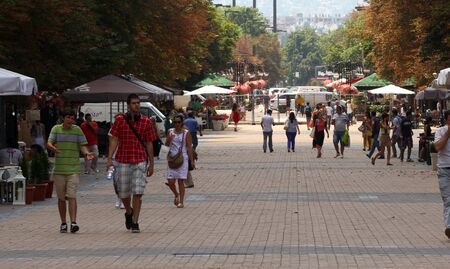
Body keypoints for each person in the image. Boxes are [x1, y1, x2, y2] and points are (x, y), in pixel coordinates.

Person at [107, 94, 155, 233]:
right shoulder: (120, 120)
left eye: (138, 103)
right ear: (128, 105)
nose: (137, 105)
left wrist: (151, 163)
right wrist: (110, 157)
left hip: (140, 160)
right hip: (123, 160)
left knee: (138, 192)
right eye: (134, 103)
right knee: (123, 193)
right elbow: (114, 139)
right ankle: (128, 211)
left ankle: (135, 221)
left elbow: (149, 143)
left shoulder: (146, 122)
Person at [47, 110, 95, 233]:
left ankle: (73, 222)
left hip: (73, 168)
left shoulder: (77, 130)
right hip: (59, 169)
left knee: (72, 196)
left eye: (72, 118)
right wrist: (52, 147)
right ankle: (63, 222)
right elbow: (49, 142)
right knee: (61, 198)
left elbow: (82, 145)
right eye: (68, 117)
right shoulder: (56, 129)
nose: (70, 120)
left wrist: (86, 153)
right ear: (63, 118)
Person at [165, 114, 195, 208]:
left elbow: (189, 147)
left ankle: (181, 201)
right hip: (172, 159)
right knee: (170, 181)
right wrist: (168, 140)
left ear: (182, 123)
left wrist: (192, 161)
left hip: (183, 159)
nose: (177, 124)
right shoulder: (170, 132)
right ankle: (176, 194)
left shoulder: (186, 133)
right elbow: (166, 146)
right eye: (175, 122)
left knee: (181, 181)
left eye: (179, 122)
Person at [434, 110, 450, 239]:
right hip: (444, 169)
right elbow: (437, 147)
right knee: (448, 199)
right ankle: (449, 227)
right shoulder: (440, 131)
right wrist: (448, 133)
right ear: (446, 120)